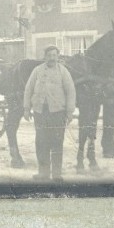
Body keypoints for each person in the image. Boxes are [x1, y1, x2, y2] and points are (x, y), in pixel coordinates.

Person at [22, 46, 77, 183]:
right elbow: (28, 89)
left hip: (57, 112)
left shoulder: (63, 72)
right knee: (41, 142)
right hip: (40, 112)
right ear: (45, 57)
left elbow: (71, 91)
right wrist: (27, 108)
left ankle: (56, 174)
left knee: (57, 142)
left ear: (58, 57)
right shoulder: (37, 71)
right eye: (49, 55)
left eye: (54, 55)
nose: (52, 58)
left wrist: (70, 111)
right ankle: (43, 173)